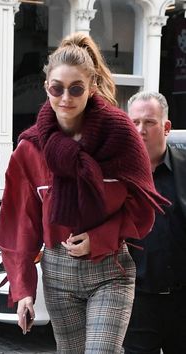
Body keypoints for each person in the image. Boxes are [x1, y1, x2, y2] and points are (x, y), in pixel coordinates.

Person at [0, 33, 169, 354]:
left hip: (111, 271)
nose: (65, 98)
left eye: (76, 88)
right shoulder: (30, 149)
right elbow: (21, 224)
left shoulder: (122, 138)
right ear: (46, 86)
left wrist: (100, 237)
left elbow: (143, 211)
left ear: (91, 87)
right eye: (56, 88)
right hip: (58, 276)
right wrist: (23, 291)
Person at [123, 91, 186, 354]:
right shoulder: (117, 176)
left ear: (166, 127)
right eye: (135, 122)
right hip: (137, 305)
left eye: (149, 122)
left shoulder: (184, 170)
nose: (141, 130)